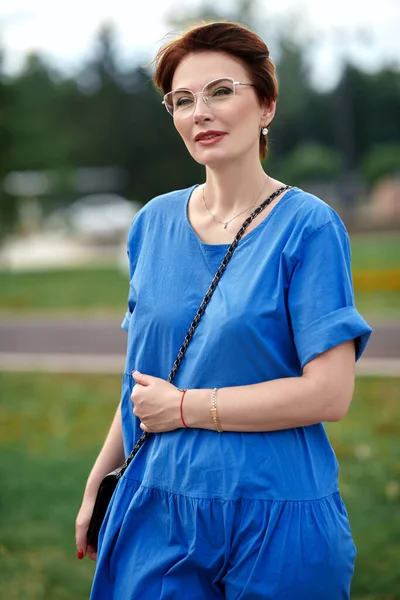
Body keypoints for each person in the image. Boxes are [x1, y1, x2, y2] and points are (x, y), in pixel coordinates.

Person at [76, 21, 372, 600]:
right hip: (156, 505)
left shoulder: (309, 227)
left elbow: (329, 395)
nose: (200, 112)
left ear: (266, 105)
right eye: (182, 100)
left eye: (221, 91)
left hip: (277, 515)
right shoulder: (152, 224)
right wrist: (97, 483)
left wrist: (183, 408)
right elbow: (141, 379)